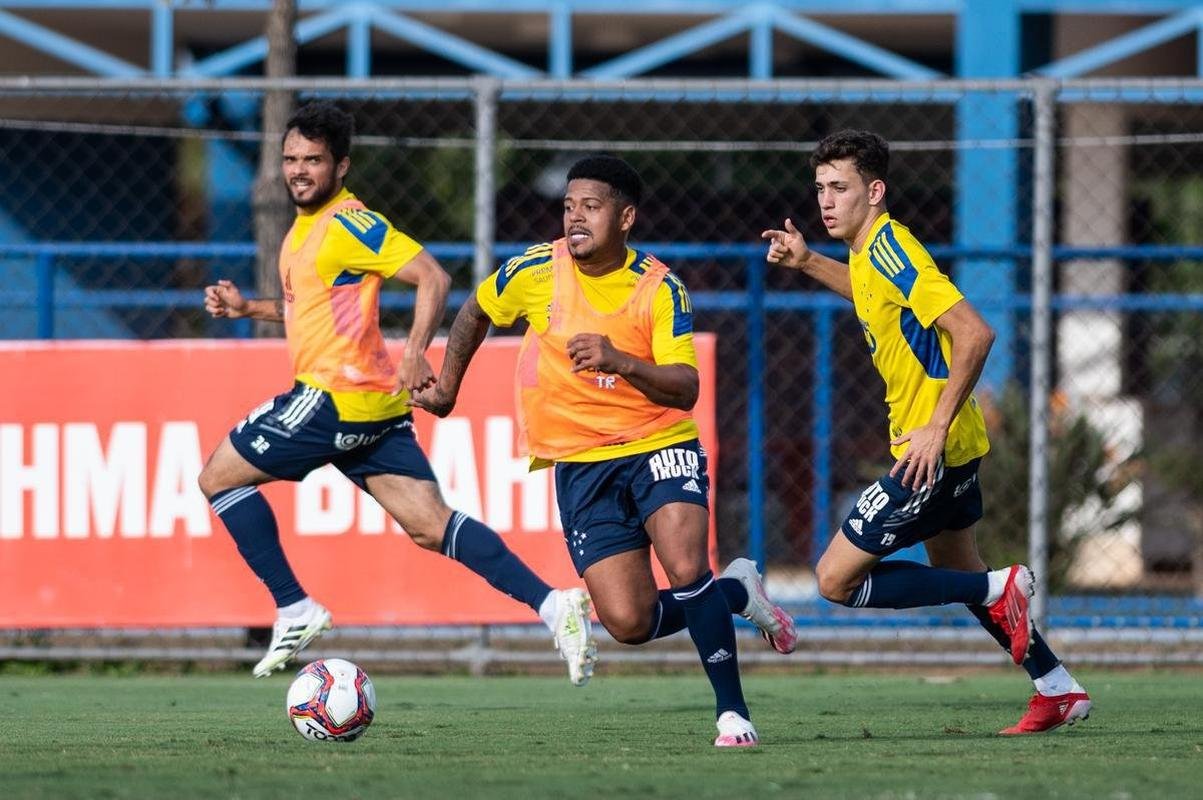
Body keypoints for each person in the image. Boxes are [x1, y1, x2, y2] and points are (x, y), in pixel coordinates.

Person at [198, 101, 595, 684]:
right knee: (431, 525)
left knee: (218, 478)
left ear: (341, 167)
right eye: (290, 159)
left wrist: (415, 351)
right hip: (374, 408)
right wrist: (247, 308)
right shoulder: (304, 231)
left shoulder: (347, 223)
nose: (299, 170)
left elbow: (432, 276)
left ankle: (293, 606)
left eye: (313, 160)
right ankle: (554, 605)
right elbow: (307, 309)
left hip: (336, 396)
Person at [413, 155, 797, 748]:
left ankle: (733, 714)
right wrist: (446, 388)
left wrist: (620, 360)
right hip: (580, 463)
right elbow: (476, 311)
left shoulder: (659, 287)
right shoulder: (534, 269)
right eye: (569, 206)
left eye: (590, 207)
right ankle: (739, 592)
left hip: (657, 442)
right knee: (629, 622)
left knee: (686, 568)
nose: (575, 218)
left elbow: (686, 387)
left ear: (625, 217)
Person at [762, 129, 1091, 735]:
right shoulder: (869, 253)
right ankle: (1057, 687)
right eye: (820, 188)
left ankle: (1000, 588)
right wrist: (807, 261)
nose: (826, 201)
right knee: (960, 573)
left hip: (930, 448)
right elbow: (870, 293)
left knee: (835, 579)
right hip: (950, 445)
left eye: (840, 187)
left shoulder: (893, 249)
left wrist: (934, 428)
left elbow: (975, 333)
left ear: (875, 191)